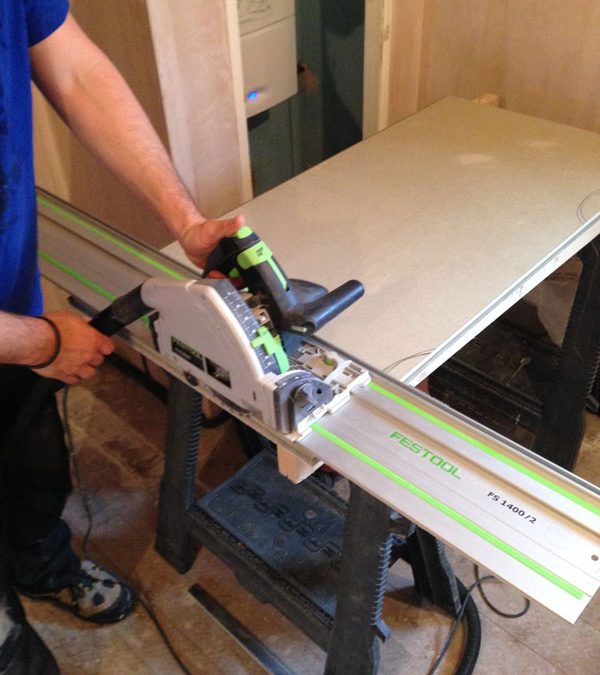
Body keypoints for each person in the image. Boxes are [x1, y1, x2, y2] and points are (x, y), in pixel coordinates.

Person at [0, 3, 243, 671]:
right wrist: (42, 344)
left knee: (30, 457)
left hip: (13, 310)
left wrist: (186, 221)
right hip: (22, 334)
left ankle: (40, 565)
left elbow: (74, 70)